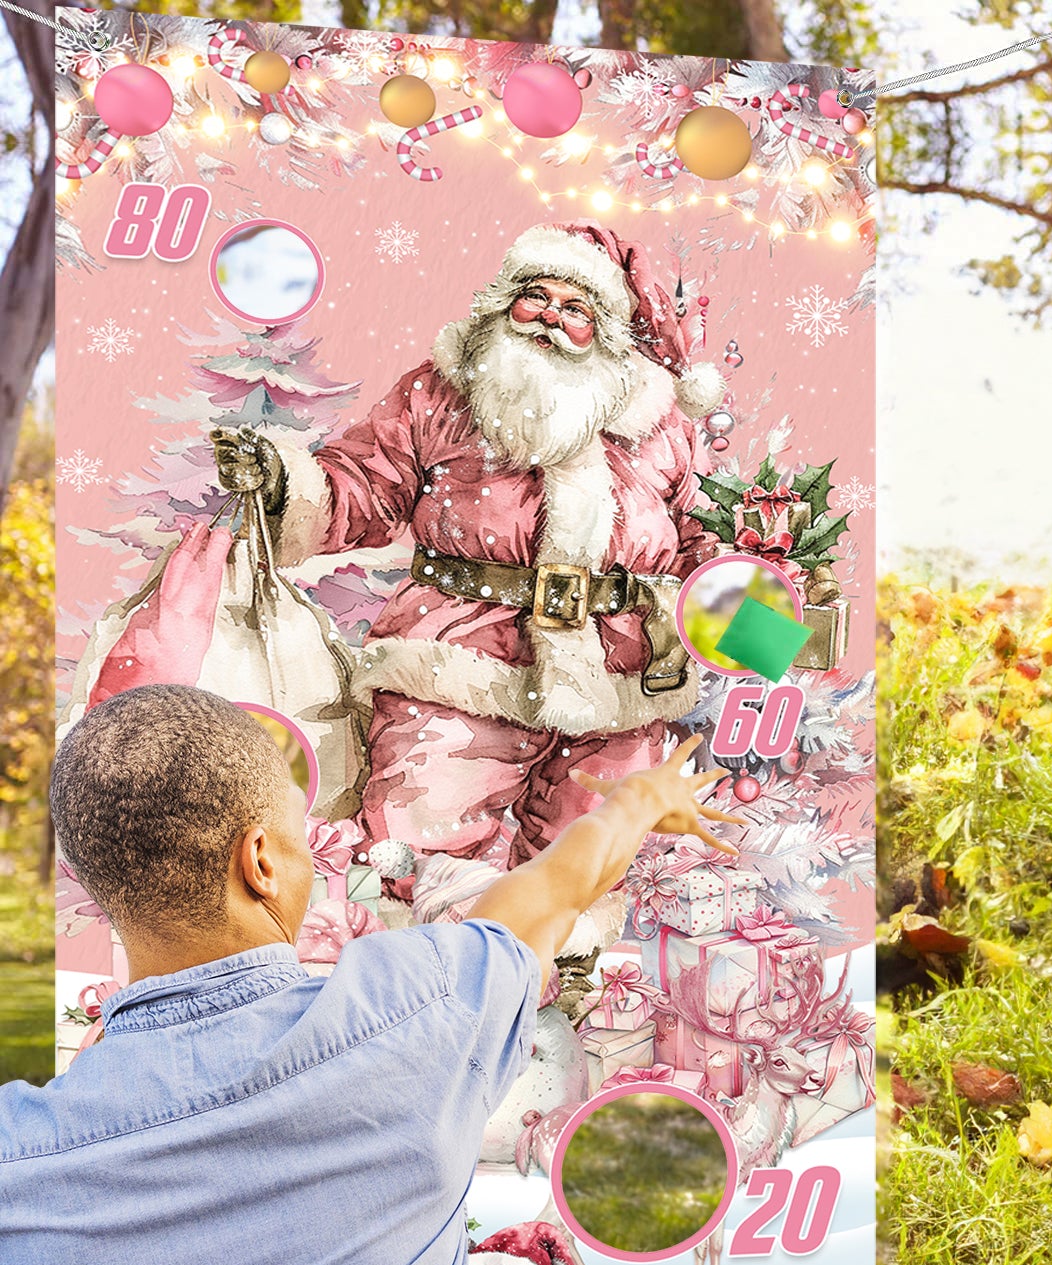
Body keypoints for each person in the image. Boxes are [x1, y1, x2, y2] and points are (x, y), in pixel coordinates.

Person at [0, 683, 742, 1265]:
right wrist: (637, 802)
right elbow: (550, 897)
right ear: (261, 860)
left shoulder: (20, 1166)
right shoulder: (416, 1008)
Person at [211, 220, 727, 978]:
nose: (550, 315)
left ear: (609, 332)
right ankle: (423, 1004)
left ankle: (552, 1021)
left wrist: (754, 592)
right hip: (458, 659)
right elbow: (365, 484)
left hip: (621, 682)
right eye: (533, 297)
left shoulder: (661, 427)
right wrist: (286, 483)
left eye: (575, 307)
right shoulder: (444, 389)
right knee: (423, 848)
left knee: (584, 865)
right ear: (501, 302)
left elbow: (700, 537)